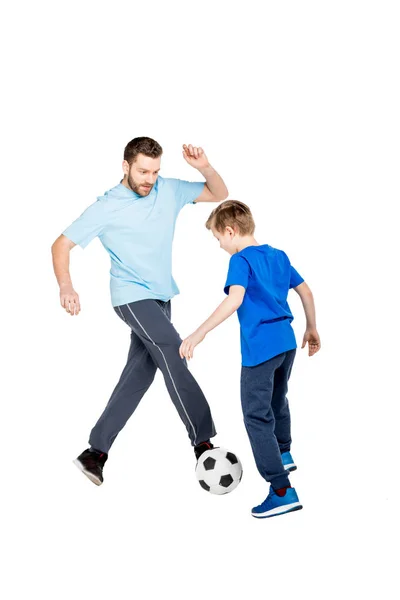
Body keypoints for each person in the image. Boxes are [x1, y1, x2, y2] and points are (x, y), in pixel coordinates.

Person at [51, 137, 229, 486]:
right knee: (173, 354)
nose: (149, 178)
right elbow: (61, 245)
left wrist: (204, 166)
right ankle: (204, 443)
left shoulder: (168, 189)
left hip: (162, 296)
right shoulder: (107, 206)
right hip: (131, 297)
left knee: (140, 373)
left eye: (155, 171)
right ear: (126, 166)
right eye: (143, 171)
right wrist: (66, 286)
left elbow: (218, 192)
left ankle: (95, 453)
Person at [179, 200, 321, 518]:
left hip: (259, 350)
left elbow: (235, 298)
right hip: (285, 344)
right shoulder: (279, 256)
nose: (219, 245)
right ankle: (283, 452)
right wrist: (311, 327)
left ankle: (282, 490)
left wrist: (199, 333)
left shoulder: (241, 260)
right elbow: (306, 292)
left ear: (230, 231)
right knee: (277, 400)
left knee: (256, 417)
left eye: (218, 238)